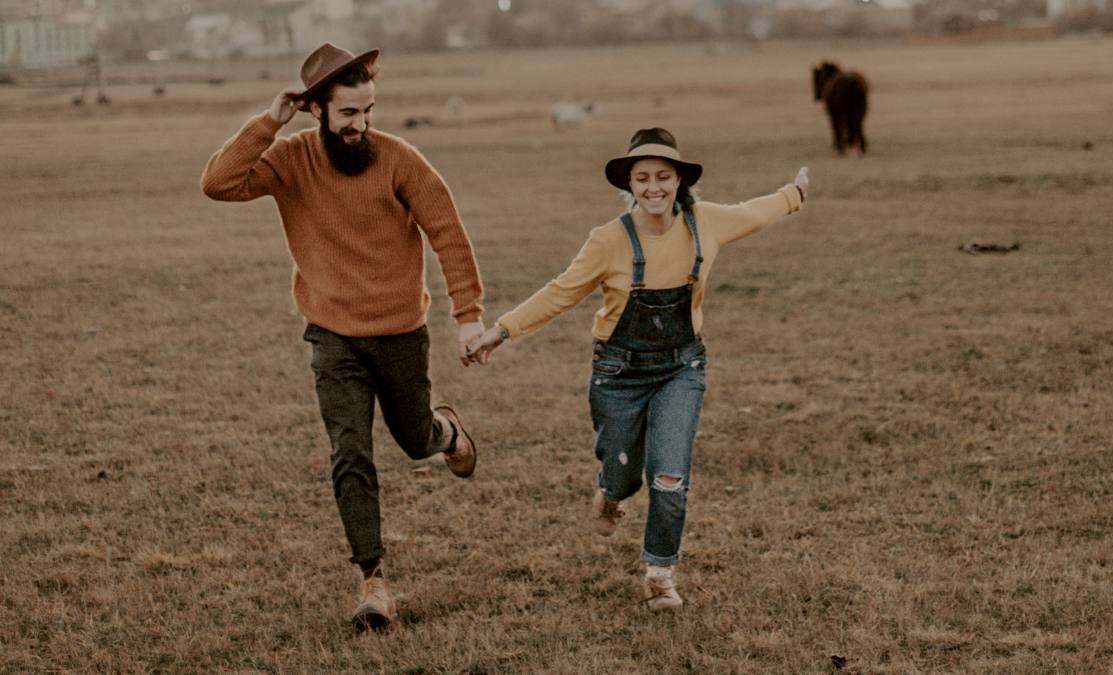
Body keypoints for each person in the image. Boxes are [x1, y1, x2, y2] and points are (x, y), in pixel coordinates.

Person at [200, 43, 485, 631]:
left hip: (401, 332)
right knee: (350, 451)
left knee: (412, 439)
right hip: (331, 335)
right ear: (317, 111)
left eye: (368, 111)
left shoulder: (401, 159)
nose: (361, 125)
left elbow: (448, 233)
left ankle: (446, 430)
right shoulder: (289, 160)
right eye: (349, 114)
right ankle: (374, 582)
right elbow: (218, 183)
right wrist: (269, 120)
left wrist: (469, 315)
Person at [467, 127, 808, 611]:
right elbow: (561, 292)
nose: (653, 188)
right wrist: (500, 331)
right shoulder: (608, 240)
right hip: (618, 373)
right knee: (624, 472)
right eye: (642, 178)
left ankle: (659, 574)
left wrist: (793, 194)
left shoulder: (704, 223)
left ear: (678, 181)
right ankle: (611, 491)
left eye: (663, 177)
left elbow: (754, 213)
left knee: (670, 476)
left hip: (681, 369)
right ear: (629, 183)